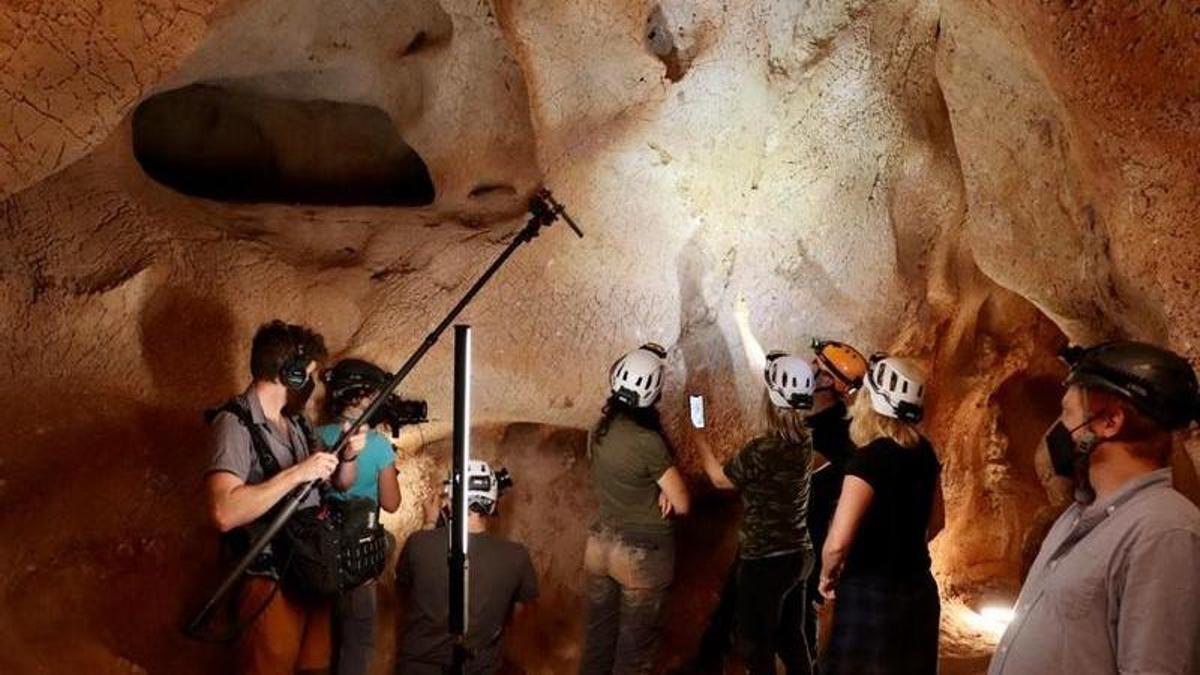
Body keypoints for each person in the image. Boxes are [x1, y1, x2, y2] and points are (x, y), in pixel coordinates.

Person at [988, 341, 1200, 675]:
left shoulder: (1164, 532)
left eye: (1067, 414)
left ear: (1110, 421)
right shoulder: (1078, 516)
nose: (1056, 431)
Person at [205, 320, 367, 675]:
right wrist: (297, 473)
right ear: (290, 374)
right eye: (308, 375)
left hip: (312, 572)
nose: (311, 385)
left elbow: (340, 483)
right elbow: (223, 512)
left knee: (315, 669)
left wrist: (349, 455)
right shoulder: (233, 424)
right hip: (269, 578)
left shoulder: (297, 424)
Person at [819, 353, 943, 675]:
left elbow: (837, 543)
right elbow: (937, 522)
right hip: (919, 591)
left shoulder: (868, 460)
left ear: (871, 401)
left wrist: (827, 575)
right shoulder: (926, 453)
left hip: (870, 594)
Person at [695, 350, 817, 675]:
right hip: (799, 554)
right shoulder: (805, 440)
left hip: (765, 560)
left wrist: (698, 434)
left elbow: (720, 479)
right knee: (791, 638)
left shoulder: (762, 449)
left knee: (756, 645)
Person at [581, 343, 691, 675]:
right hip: (642, 556)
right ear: (654, 394)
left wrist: (658, 484)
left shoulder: (598, 431)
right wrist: (664, 487)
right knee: (633, 656)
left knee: (597, 644)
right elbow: (683, 503)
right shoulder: (648, 442)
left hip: (599, 546)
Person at [395, 460, 538, 674]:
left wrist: (429, 524)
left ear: (451, 502)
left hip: (418, 666)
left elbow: (404, 596)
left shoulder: (418, 543)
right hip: (479, 668)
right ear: (492, 505)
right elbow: (524, 618)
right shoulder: (517, 556)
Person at [316, 358, 404, 675]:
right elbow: (392, 504)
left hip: (321, 553)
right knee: (357, 645)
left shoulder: (315, 434)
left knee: (318, 646)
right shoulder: (378, 445)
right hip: (358, 561)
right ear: (363, 396)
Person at [804, 340, 867, 662]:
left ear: (829, 380)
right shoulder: (828, 421)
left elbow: (795, 465)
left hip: (811, 533)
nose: (808, 367)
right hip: (805, 529)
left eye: (816, 365)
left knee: (804, 615)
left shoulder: (837, 431)